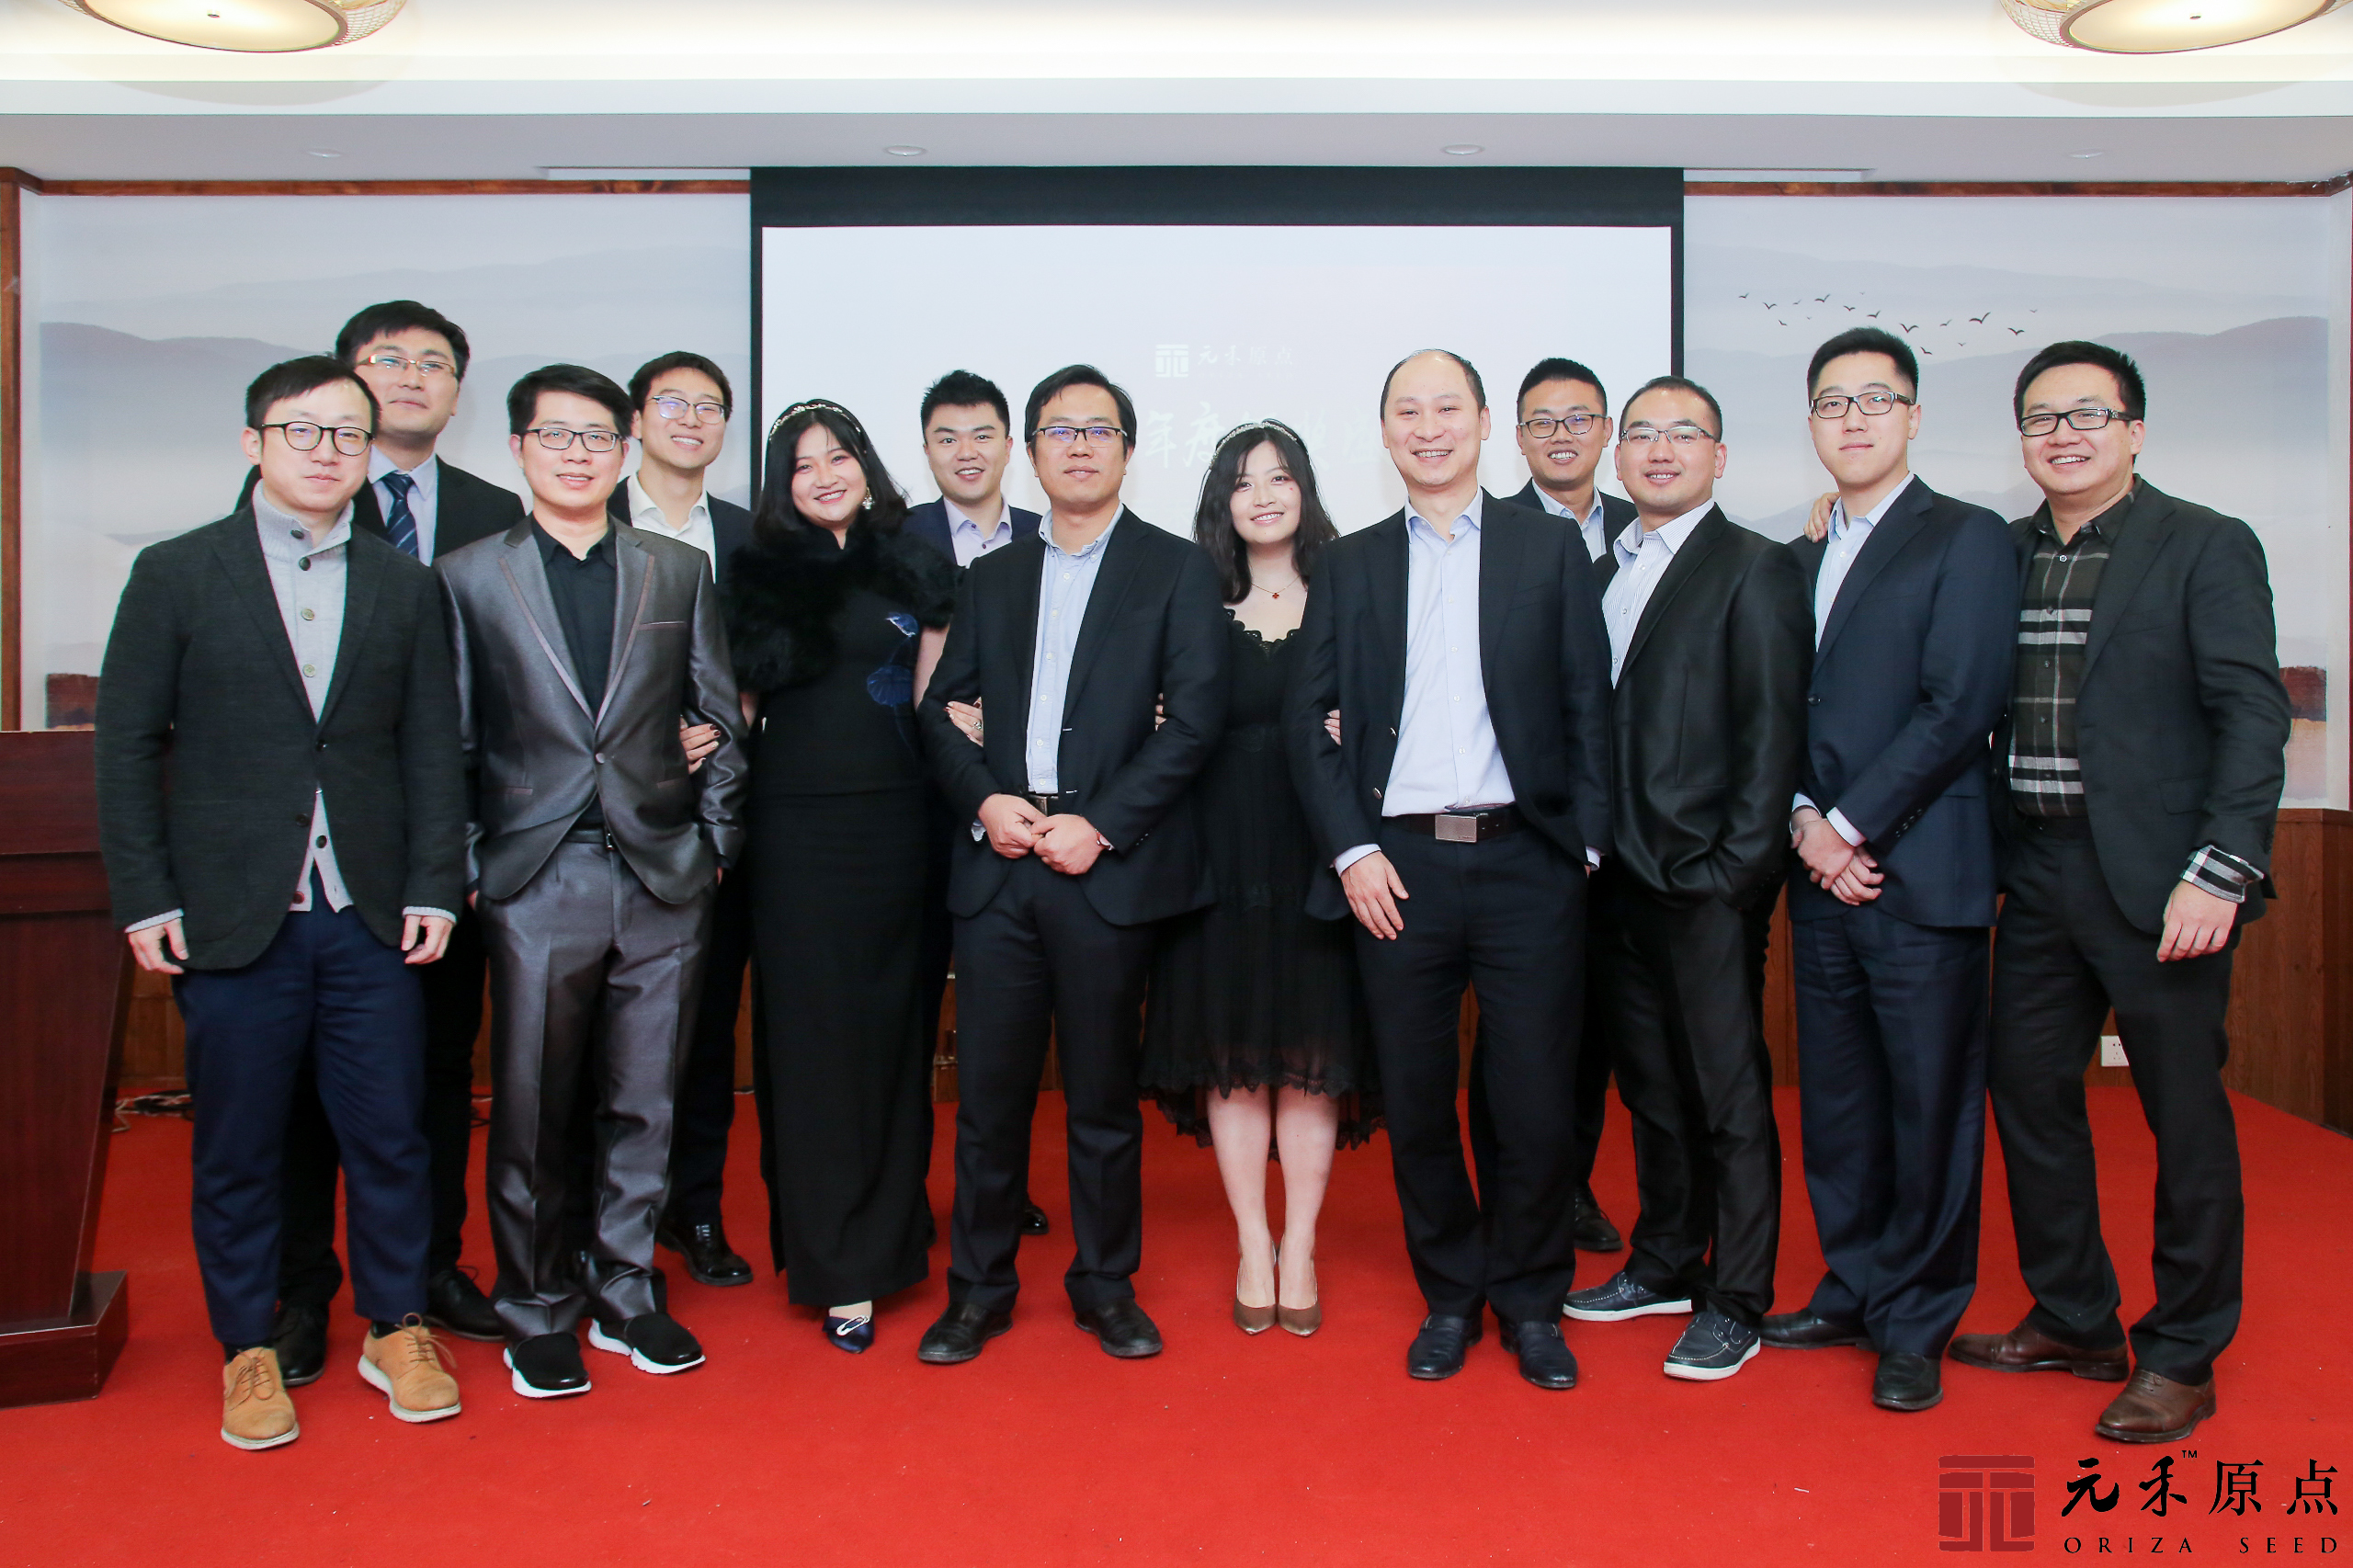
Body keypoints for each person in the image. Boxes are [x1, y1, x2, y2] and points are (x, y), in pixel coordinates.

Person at [96, 355, 468, 1449]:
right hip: (233, 911)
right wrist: (146, 894)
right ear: (254, 442)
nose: (325, 450)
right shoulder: (178, 571)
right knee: (240, 1145)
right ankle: (247, 1344)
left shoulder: (404, 583)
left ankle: (395, 1324)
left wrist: (435, 883)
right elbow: (127, 746)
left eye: (347, 433)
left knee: (392, 1134)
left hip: (369, 912)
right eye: (302, 430)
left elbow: (429, 749)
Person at [1950, 342, 2289, 1445]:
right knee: (2027, 1093)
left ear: (2133, 431)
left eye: (2087, 414)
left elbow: (2250, 715)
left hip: (2162, 878)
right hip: (2036, 868)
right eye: (2040, 418)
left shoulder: (2203, 543)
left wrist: (2221, 868)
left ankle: (2183, 1350)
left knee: (2181, 1116)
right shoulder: (2000, 553)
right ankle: (2074, 1314)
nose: (2063, 435)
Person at [1288, 349, 1611, 1390]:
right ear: (1385, 431)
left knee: (1533, 1100)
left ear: (1481, 422)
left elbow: (1587, 701)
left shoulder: (1546, 546)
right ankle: (1451, 1294)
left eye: (1446, 408)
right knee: (1418, 1099)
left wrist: (1583, 845)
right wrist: (1352, 849)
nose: (1427, 428)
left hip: (1527, 864)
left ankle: (1532, 1299)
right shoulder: (1350, 563)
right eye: (1407, 411)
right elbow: (1307, 720)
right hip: (1399, 869)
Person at [437, 363, 747, 1399]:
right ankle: (534, 1303)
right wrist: (476, 867)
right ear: (517, 448)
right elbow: (452, 740)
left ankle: (626, 1285)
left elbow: (720, 719)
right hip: (536, 875)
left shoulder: (675, 570)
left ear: (624, 451)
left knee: (646, 1099)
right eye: (554, 435)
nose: (576, 453)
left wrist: (714, 845)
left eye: (596, 437)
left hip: (663, 870)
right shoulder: (470, 576)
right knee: (532, 1103)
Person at [913, 365, 1228, 1365]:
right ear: (1032, 451)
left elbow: (1196, 723)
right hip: (1002, 864)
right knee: (989, 1101)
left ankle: (1104, 1284)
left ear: (1128, 449)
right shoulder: (994, 575)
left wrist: (1103, 824)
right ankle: (979, 1291)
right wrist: (984, 800)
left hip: (1104, 869)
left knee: (1100, 1100)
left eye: (1099, 430)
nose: (1079, 446)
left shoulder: (1175, 569)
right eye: (1059, 430)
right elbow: (940, 710)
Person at [252, 300, 523, 1378]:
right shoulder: (297, 495)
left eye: (435, 363)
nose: (412, 376)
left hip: (450, 846)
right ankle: (302, 1286)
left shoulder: (498, 509)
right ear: (346, 383)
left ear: (457, 392)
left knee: (437, 1070)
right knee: (299, 1083)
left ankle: (425, 1269)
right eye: (387, 360)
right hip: (315, 854)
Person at [1760, 328, 2016, 1415]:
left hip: (1919, 872)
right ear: (1811, 423)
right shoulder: (1799, 555)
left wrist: (1849, 826)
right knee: (1840, 1104)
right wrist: (1804, 821)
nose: (1852, 418)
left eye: (1875, 399)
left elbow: (1959, 705)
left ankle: (1915, 1319)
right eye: (1832, 402)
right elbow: (1776, 710)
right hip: (1819, 875)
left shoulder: (1966, 537)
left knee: (1929, 1105)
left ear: (1912, 415)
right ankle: (1854, 1287)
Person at [1562, 375, 1808, 1384]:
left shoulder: (1754, 567)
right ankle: (1665, 1259)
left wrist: (1734, 872)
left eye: (1684, 434)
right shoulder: (1603, 570)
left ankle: (1737, 1297)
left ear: (1718, 455)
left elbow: (1771, 732)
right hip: (1610, 878)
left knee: (1727, 1093)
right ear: (1617, 454)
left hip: (1705, 882)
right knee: (1653, 1089)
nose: (1660, 451)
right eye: (1643, 435)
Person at [723, 399, 960, 1353]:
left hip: (902, 826)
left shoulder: (914, 559)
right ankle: (838, 1265)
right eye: (802, 463)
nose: (825, 474)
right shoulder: (755, 569)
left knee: (896, 1035)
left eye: (840, 455)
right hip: (794, 833)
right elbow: (739, 712)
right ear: (782, 483)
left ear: (866, 464)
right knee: (814, 1044)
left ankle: (895, 1234)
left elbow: (934, 702)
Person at [1138, 420, 1376, 1337]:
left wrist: (1361, 724)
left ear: (1304, 488)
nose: (1263, 497)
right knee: (1233, 1058)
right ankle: (1252, 1241)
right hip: (1217, 851)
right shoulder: (1190, 590)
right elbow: (1152, 705)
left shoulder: (1349, 582)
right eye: (1243, 483)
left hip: (1322, 847)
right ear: (1221, 502)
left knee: (1311, 1059)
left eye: (1279, 478)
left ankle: (1301, 1243)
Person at [605, 350, 759, 1290]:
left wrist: (739, 715)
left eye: (710, 406)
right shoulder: (588, 519)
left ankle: (693, 1207)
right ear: (636, 421)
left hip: (721, 824)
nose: (691, 418)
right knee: (605, 1034)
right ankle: (603, 1220)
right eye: (672, 403)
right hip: (605, 829)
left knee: (703, 1029)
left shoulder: (750, 536)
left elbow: (773, 663)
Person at [903, 369, 1051, 1241]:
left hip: (1020, 821)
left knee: (1007, 1027)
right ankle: (904, 1199)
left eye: (983, 434)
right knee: (909, 1015)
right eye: (947, 436)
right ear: (925, 449)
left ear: (1011, 447)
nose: (966, 451)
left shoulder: (1048, 536)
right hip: (913, 813)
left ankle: (999, 1193)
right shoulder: (894, 543)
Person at [1504, 355, 1638, 1258]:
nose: (1561, 434)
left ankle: (1576, 1180)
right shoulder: (1489, 531)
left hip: (1640, 817)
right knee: (1529, 1028)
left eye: (1579, 418)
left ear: (1606, 432)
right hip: (1533, 823)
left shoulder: (1646, 526)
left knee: (1602, 1021)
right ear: (1515, 436)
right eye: (1542, 420)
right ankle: (1531, 1190)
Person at [905, 369, 1044, 567]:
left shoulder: (1044, 536)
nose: (967, 453)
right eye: (948, 440)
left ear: (1007, 448)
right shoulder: (898, 536)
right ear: (928, 453)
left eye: (982, 437)